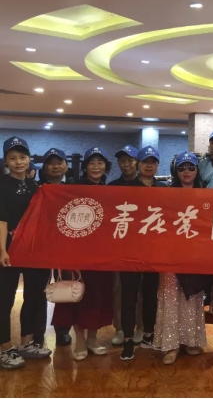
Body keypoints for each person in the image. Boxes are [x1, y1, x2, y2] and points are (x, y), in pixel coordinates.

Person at [52, 147, 115, 361]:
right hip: (76, 253)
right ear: (85, 166)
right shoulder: (73, 188)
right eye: (92, 163)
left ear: (106, 166)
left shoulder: (110, 190)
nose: (96, 167)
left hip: (102, 253)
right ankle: (79, 339)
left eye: (100, 162)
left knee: (98, 295)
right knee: (78, 295)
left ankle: (92, 339)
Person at [0, 137, 52, 370]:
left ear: (29, 159)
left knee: (34, 296)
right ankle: (4, 347)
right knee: (4, 299)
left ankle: (26, 343)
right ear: (6, 161)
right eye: (13, 158)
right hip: (9, 247)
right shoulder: (1, 185)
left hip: (34, 250)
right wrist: (2, 250)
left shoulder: (36, 187)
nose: (18, 162)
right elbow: (1, 220)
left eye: (22, 157)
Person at [153, 152, 207, 365]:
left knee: (192, 297)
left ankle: (191, 340)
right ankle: (171, 344)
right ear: (175, 171)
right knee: (171, 297)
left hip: (195, 255)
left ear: (197, 170)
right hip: (170, 255)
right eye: (182, 168)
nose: (186, 171)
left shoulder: (205, 196)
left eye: (191, 167)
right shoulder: (166, 195)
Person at [119, 146, 164, 361]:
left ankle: (148, 334)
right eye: (145, 162)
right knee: (128, 297)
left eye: (153, 162)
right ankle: (128, 340)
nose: (149, 166)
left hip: (154, 251)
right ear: (138, 164)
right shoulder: (127, 188)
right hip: (130, 251)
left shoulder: (164, 189)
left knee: (150, 295)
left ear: (157, 166)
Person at [37, 148, 74, 348]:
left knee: (65, 286)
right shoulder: (37, 189)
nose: (55, 166)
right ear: (44, 168)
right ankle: (37, 333)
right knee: (37, 289)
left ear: (66, 166)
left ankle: (62, 330)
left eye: (59, 162)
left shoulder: (74, 189)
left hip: (66, 247)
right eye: (50, 163)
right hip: (41, 246)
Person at [108, 145, 144, 347]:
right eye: (122, 161)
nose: (126, 164)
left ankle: (140, 327)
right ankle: (120, 328)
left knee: (140, 291)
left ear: (136, 162)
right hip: (119, 246)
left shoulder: (146, 187)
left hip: (141, 246)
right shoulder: (112, 187)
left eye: (130, 160)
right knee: (118, 290)